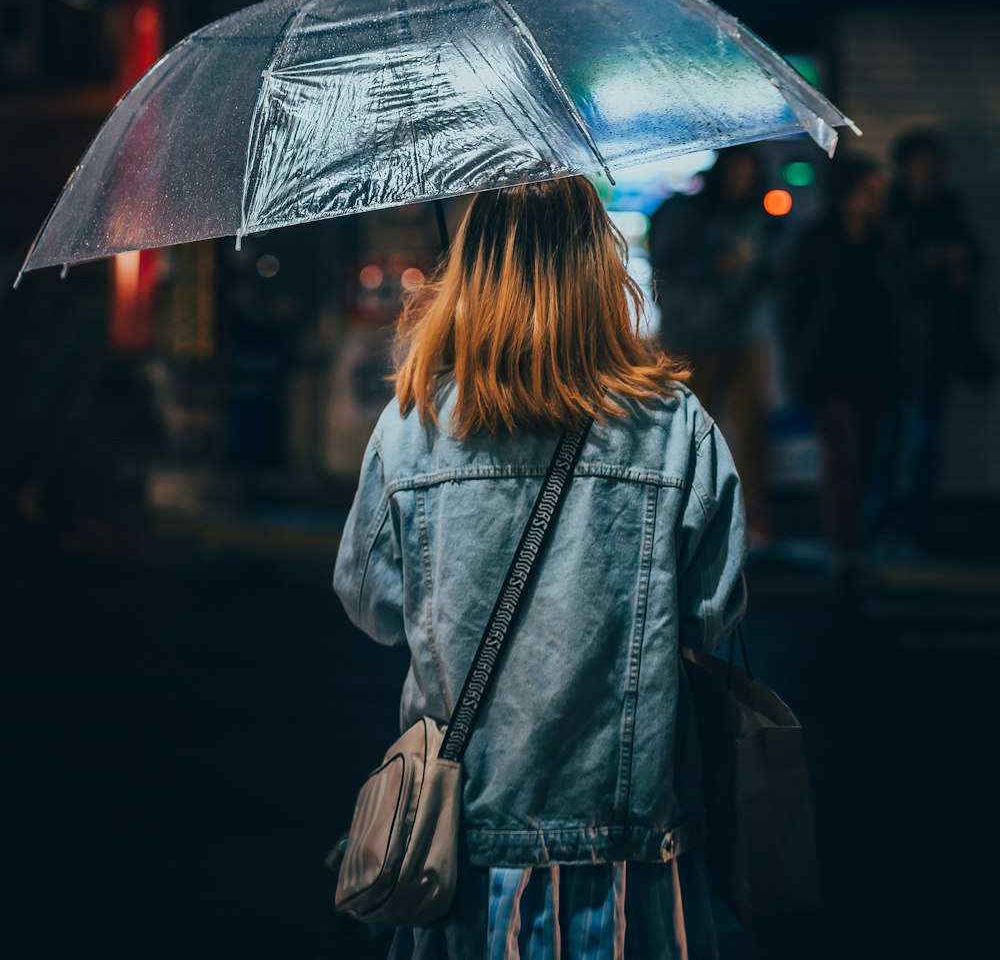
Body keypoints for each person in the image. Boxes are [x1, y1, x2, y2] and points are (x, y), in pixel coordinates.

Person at [334, 176, 747, 959]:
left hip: (461, 847)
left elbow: (374, 605)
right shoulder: (675, 427)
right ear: (599, 266)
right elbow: (713, 609)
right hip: (632, 848)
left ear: (472, 267)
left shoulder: (413, 424)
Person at [781, 157, 900, 593]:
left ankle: (855, 545)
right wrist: (798, 367)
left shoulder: (886, 242)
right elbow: (795, 311)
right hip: (831, 370)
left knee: (867, 460)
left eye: (879, 193)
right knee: (843, 458)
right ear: (848, 195)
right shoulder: (818, 242)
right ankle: (842, 547)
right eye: (868, 191)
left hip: (879, 368)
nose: (876, 201)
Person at [869, 129, 991, 548]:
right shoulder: (889, 208)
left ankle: (916, 523)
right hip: (890, 347)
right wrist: (933, 260)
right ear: (905, 167)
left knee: (925, 441)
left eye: (935, 164)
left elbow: (974, 258)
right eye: (921, 163)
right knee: (884, 442)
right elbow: (884, 274)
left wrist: (960, 263)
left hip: (935, 347)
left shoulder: (949, 206)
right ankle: (874, 521)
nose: (929, 172)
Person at [648, 146, 777, 543]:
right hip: (691, 335)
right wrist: (713, 263)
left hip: (739, 333)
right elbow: (665, 264)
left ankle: (751, 512)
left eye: (750, 171)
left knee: (749, 424)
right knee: (686, 425)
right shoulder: (685, 211)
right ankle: (678, 510)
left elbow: (764, 270)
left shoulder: (758, 216)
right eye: (737, 170)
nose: (743, 179)